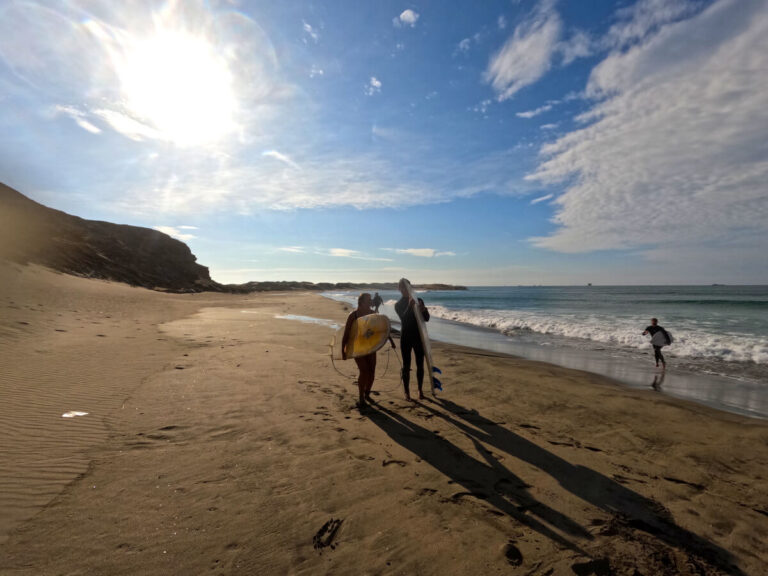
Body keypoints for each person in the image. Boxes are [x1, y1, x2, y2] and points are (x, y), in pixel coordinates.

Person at [341, 293, 394, 410]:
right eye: (369, 300)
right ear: (362, 302)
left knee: (372, 372)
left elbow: (381, 329)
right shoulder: (353, 315)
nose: (371, 302)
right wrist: (343, 351)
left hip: (370, 347)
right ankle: (361, 398)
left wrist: (390, 340)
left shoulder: (372, 314)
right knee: (364, 371)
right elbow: (346, 334)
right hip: (357, 348)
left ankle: (367, 393)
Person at [395, 278, 430, 401]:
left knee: (420, 364)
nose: (404, 289)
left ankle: (420, 390)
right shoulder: (398, 304)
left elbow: (426, 318)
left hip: (418, 336)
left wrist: (423, 310)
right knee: (406, 365)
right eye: (402, 287)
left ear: (410, 287)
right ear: (399, 289)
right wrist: (410, 307)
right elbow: (404, 319)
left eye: (407, 287)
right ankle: (407, 392)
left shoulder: (418, 300)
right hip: (406, 337)